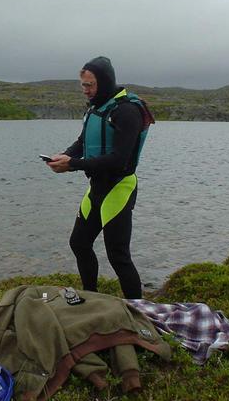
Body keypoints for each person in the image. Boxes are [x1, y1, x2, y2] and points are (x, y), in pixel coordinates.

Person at [47, 56, 154, 299]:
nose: (85, 91)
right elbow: (84, 141)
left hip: (119, 187)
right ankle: (91, 298)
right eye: (82, 85)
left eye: (89, 85)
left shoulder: (127, 111)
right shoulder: (96, 107)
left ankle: (137, 309)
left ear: (104, 82)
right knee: (79, 243)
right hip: (96, 187)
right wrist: (64, 155)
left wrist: (72, 165)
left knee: (118, 255)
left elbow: (119, 159)